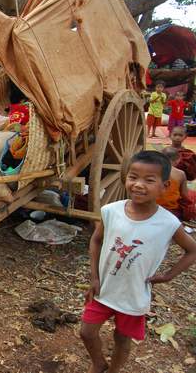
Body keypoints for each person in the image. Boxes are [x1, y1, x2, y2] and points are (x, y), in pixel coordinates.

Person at [81, 150, 196, 373]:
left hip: (133, 296)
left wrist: (168, 275)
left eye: (149, 180)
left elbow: (192, 250)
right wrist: (94, 277)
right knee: (86, 331)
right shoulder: (111, 211)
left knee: (122, 338)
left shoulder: (168, 223)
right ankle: (98, 363)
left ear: (165, 186)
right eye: (133, 177)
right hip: (104, 289)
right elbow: (96, 241)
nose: (138, 184)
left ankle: (114, 370)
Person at [156, 147, 191, 219]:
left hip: (151, 207)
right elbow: (185, 196)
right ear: (178, 160)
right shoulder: (180, 174)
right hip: (171, 210)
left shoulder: (151, 170)